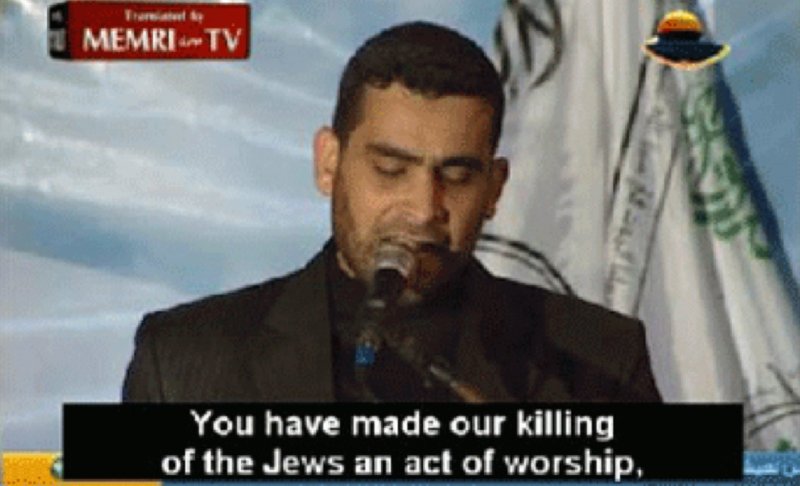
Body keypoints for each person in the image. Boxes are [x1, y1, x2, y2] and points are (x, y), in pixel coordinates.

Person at [122, 21, 661, 403]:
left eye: (456, 176)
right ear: (329, 164)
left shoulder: (601, 360)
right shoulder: (182, 362)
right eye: (390, 169)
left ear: (494, 188)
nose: (423, 209)